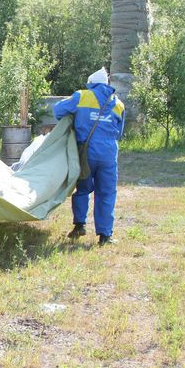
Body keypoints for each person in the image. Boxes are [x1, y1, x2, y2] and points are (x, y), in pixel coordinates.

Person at [53, 67, 125, 246]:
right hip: (109, 153)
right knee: (107, 193)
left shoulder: (82, 96)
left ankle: (79, 225)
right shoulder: (118, 104)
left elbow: (57, 111)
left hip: (86, 153)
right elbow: (120, 132)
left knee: (83, 189)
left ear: (91, 84)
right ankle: (105, 235)